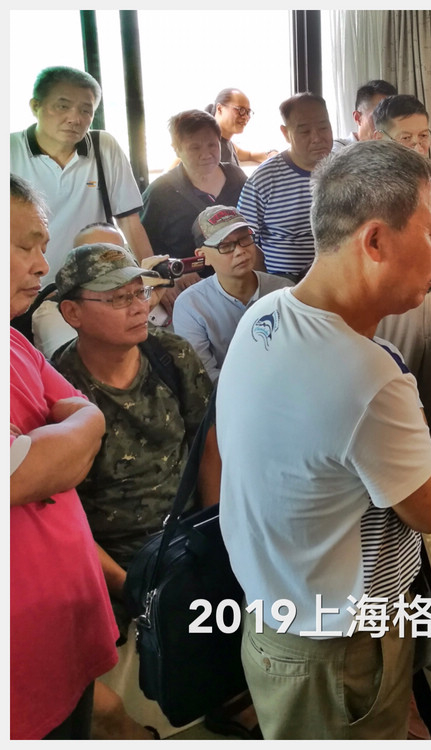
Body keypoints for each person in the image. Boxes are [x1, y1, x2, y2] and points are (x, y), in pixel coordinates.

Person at [218, 140, 431, 739]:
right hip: (339, 643)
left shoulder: (265, 315)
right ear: (374, 241)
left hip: (274, 611)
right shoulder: (369, 377)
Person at [50, 244, 212, 636]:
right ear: (73, 313)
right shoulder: (56, 387)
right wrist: (130, 588)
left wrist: (215, 536)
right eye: (119, 298)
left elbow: (209, 446)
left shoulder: (171, 355)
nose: (139, 308)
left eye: (140, 293)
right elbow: (60, 514)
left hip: (189, 545)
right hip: (112, 571)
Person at [10, 175, 119, 740]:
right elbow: (30, 472)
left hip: (60, 631)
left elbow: (87, 419)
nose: (40, 265)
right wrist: (66, 439)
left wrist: (67, 435)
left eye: (43, 247)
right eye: (23, 245)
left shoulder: (14, 341)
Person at [11, 65, 154, 356]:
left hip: (96, 288)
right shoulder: (10, 150)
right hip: (26, 288)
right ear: (35, 106)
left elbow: (129, 222)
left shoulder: (104, 147)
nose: (75, 118)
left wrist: (153, 279)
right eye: (62, 106)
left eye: (86, 110)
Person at [372, 93, 431, 459]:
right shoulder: (371, 184)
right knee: (394, 394)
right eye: (406, 137)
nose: (418, 146)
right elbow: (379, 247)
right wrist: (429, 240)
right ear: (381, 138)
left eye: (424, 136)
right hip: (397, 303)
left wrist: (412, 242)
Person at [140, 109, 248, 309]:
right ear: (176, 149)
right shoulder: (159, 193)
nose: (206, 154)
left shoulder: (237, 178)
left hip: (238, 289)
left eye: (212, 145)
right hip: (188, 296)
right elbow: (144, 247)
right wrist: (167, 278)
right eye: (194, 147)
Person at [172, 205, 293, 382]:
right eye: (226, 246)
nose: (240, 251)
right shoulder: (190, 305)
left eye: (245, 239)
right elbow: (204, 376)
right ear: (202, 256)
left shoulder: (284, 291)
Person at [237, 92, 334, 276]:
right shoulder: (264, 179)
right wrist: (266, 283)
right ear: (285, 133)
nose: (317, 137)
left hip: (339, 276)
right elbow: (244, 238)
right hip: (284, 282)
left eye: (323, 127)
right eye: (305, 131)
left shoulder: (346, 169)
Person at [208, 88, 278, 165]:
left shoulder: (227, 143)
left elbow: (249, 155)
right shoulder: (209, 148)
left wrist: (271, 154)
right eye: (240, 109)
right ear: (220, 109)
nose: (246, 117)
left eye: (248, 112)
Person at [334, 79, 398, 148]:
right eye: (378, 117)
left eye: (391, 118)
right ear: (357, 118)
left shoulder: (396, 148)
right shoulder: (338, 150)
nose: (386, 125)